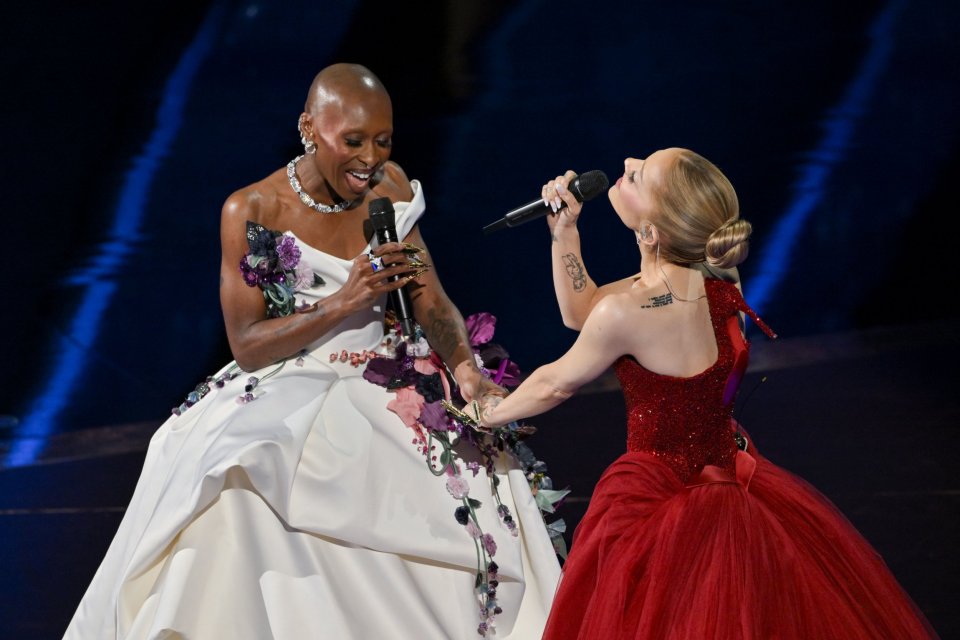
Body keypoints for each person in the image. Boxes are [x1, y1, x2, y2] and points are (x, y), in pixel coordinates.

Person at [64, 63, 560, 640]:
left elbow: (432, 300)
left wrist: (466, 370)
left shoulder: (391, 190)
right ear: (309, 127)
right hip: (289, 377)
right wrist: (343, 300)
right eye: (353, 141)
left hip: (385, 372)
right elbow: (247, 345)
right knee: (239, 472)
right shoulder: (253, 211)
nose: (370, 159)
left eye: (382, 141)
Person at [478, 148, 939, 639]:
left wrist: (485, 415)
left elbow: (555, 381)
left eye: (637, 175)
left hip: (660, 502)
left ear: (651, 232)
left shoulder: (628, 312)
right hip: (734, 491)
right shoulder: (720, 278)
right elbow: (584, 313)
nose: (627, 162)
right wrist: (564, 231)